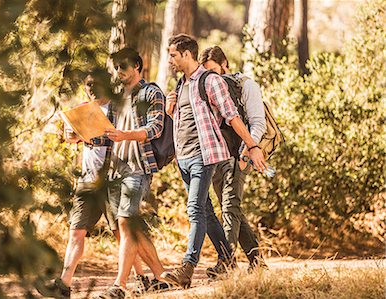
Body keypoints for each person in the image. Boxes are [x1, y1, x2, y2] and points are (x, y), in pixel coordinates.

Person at [160, 34, 267, 288]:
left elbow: (232, 117)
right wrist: (169, 110)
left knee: (196, 209)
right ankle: (228, 258)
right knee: (206, 211)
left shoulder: (210, 81)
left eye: (173, 55)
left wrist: (252, 146)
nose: (170, 61)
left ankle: (187, 268)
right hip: (183, 158)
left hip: (204, 156)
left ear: (187, 54)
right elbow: (183, 122)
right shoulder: (180, 85)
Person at [39, 71, 150, 299]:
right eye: (87, 85)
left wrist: (90, 135)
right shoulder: (83, 108)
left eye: (95, 84)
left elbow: (121, 137)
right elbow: (70, 137)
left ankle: (143, 278)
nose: (90, 89)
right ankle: (64, 285)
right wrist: (71, 134)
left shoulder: (118, 110)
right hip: (87, 181)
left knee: (122, 234)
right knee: (76, 232)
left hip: (113, 179)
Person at [95, 48, 168, 299]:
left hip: (138, 168)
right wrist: (81, 137)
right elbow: (108, 135)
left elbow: (156, 127)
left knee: (126, 221)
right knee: (129, 227)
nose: (119, 72)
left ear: (137, 66)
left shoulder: (151, 92)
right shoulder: (116, 98)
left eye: (123, 66)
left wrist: (126, 135)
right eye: (116, 67)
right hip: (115, 170)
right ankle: (162, 276)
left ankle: (120, 286)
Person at [199, 46, 268, 276]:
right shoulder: (206, 87)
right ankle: (257, 260)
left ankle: (225, 262)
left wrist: (248, 150)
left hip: (241, 153)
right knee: (232, 207)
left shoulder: (246, 85)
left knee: (229, 206)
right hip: (218, 156)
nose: (212, 78)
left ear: (225, 63)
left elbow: (258, 122)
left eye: (214, 71)